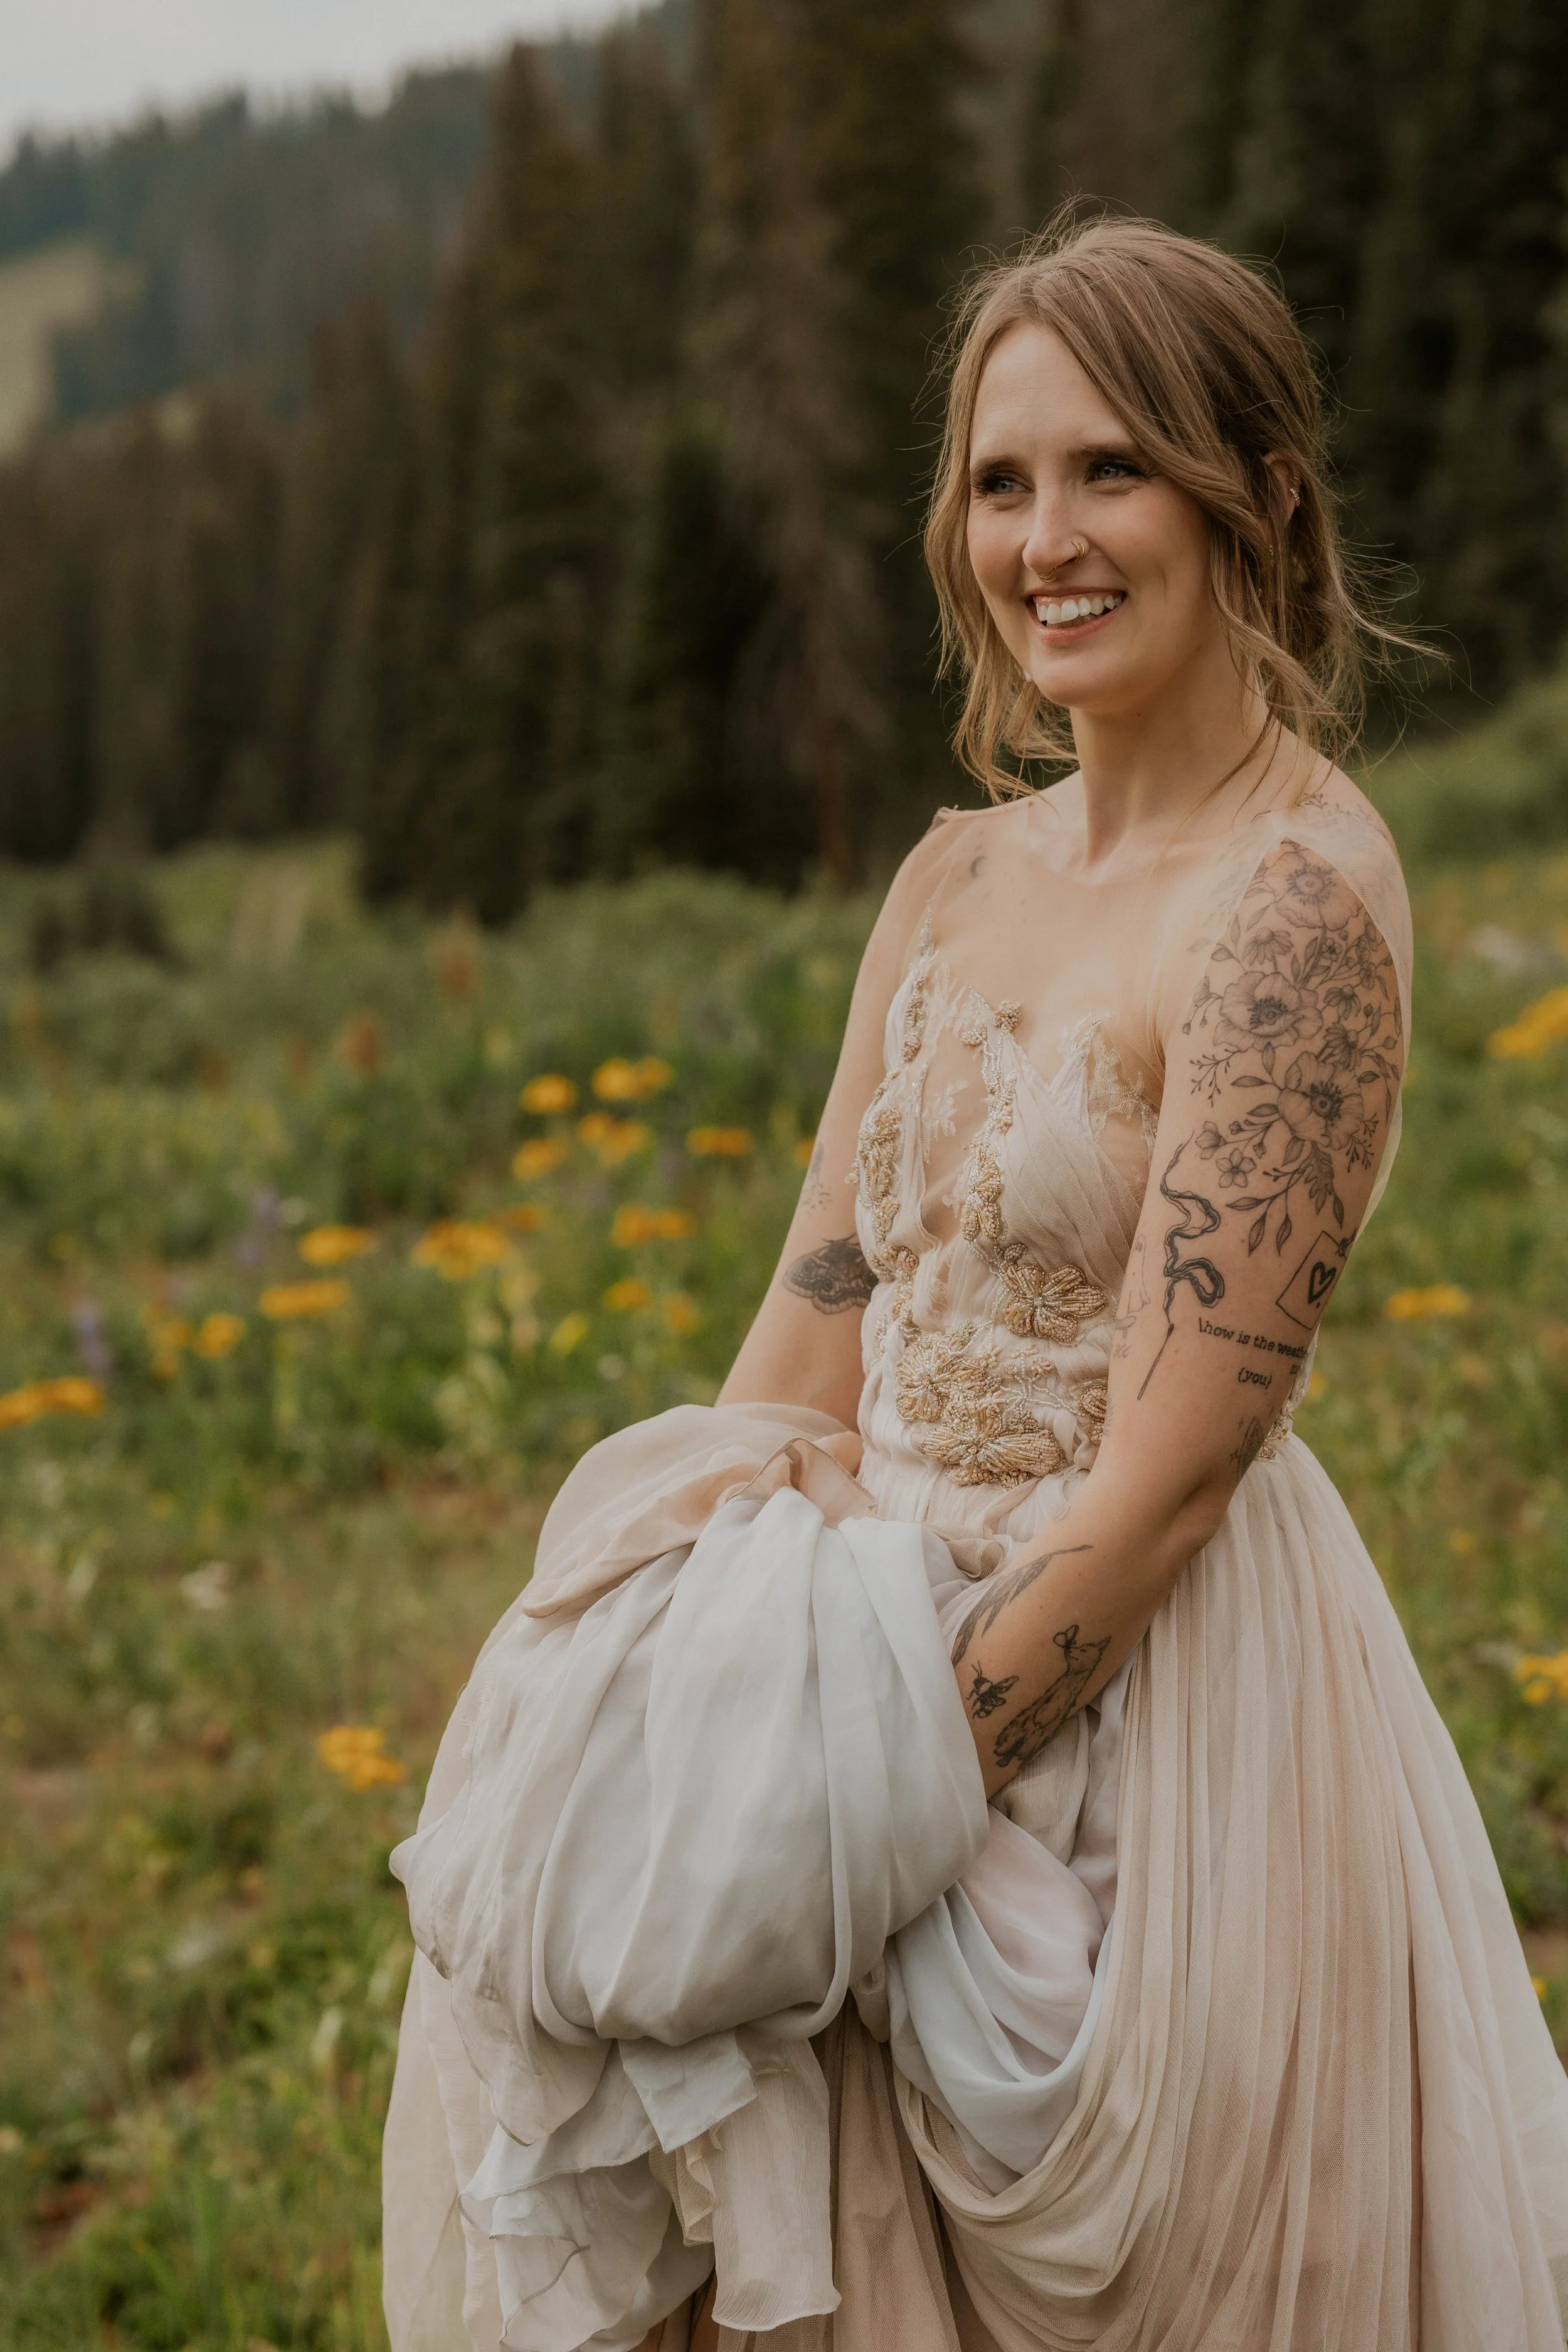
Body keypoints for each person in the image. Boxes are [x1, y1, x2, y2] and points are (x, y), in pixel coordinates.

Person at [382, 215, 1568, 2352]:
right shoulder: (951, 868)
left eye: (1110, 469)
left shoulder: (1299, 898)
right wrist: (697, 1683)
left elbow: (1186, 1462)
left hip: (1140, 1720)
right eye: (1002, 481)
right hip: (855, 1649)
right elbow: (811, 1313)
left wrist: (894, 1786)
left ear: (1253, 497)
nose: (1047, 540)